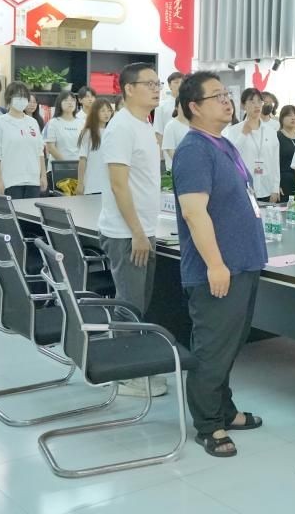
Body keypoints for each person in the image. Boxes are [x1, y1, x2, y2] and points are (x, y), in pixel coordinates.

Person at [173, 70, 268, 458]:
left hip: (242, 262)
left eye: (227, 94)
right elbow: (194, 212)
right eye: (217, 96)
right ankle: (209, 425)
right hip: (218, 268)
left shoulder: (223, 143)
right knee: (212, 349)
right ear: (194, 107)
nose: (227, 101)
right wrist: (215, 264)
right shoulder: (194, 150)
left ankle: (225, 410)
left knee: (230, 345)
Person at [98, 63, 167, 397]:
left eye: (158, 83)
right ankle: (125, 374)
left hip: (143, 229)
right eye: (149, 84)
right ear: (128, 89)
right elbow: (118, 185)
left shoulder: (144, 123)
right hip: (127, 233)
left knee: (140, 301)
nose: (156, 89)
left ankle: (134, 364)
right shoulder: (121, 127)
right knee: (129, 304)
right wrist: (138, 232)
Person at [0, 81, 46, 198]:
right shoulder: (0, 122)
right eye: (18, 96)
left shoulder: (32, 122)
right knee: (14, 210)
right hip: (11, 181)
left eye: (24, 97)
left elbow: (40, 151)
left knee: (31, 210)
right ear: (9, 98)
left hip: (33, 180)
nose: (22, 100)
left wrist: (43, 175)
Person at [222, 89, 281, 202]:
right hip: (243, 189)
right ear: (243, 105)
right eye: (252, 101)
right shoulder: (234, 130)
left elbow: (275, 161)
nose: (257, 105)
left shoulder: (271, 131)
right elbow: (231, 157)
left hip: (267, 188)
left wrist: (275, 187)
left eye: (259, 101)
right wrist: (243, 135)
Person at [77, 98, 115, 196]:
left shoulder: (113, 132)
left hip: (109, 186)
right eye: (103, 110)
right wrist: (80, 183)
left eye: (109, 110)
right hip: (92, 185)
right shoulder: (88, 133)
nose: (107, 113)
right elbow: (82, 159)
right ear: (95, 112)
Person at [45, 91, 83, 167]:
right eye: (66, 100)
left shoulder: (82, 122)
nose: (70, 103)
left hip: (78, 166)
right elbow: (51, 147)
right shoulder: (53, 122)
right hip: (58, 167)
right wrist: (66, 164)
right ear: (59, 103)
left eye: (72, 100)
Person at [275, 105, 295, 199]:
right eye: (289, 115)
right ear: (282, 118)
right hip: (284, 182)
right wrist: (276, 185)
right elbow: (272, 163)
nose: (293, 118)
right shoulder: (276, 137)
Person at [153, 71, 186, 142]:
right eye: (176, 82)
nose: (180, 85)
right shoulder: (161, 106)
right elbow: (158, 131)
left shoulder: (190, 105)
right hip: (168, 145)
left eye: (182, 82)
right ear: (169, 85)